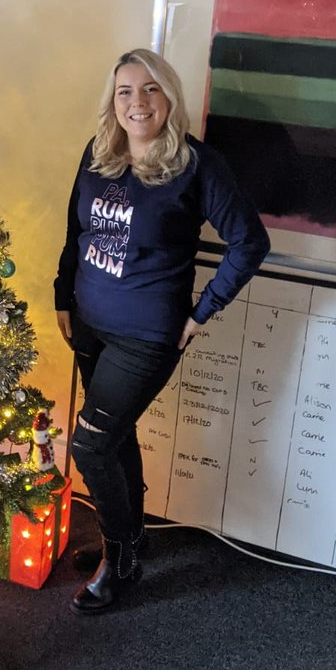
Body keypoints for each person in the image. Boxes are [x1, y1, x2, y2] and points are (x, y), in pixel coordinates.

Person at [54, 48, 269, 615]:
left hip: (147, 333)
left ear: (169, 97)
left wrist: (202, 313)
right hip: (90, 322)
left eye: (149, 89)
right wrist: (62, 296)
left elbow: (250, 242)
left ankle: (121, 561)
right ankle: (129, 536)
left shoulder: (196, 164)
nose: (137, 102)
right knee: (116, 435)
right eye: (125, 91)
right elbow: (74, 229)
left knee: (91, 445)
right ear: (113, 101)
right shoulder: (100, 152)